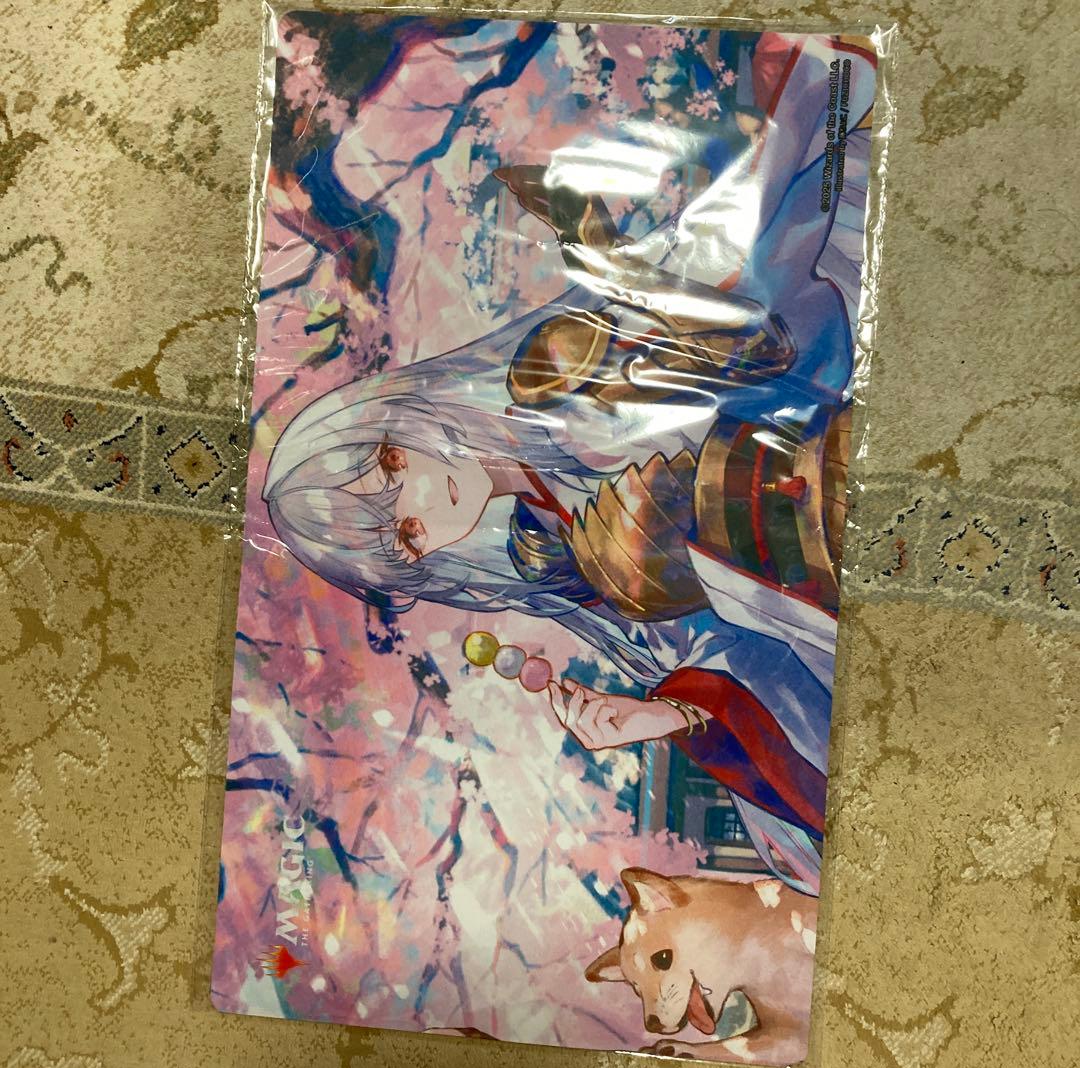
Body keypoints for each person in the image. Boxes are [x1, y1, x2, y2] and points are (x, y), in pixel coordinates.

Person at [262, 34, 878, 894]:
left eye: (393, 462)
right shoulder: (552, 560)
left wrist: (617, 264)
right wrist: (660, 714)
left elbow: (743, 316)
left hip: (835, 406)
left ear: (400, 414)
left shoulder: (550, 369)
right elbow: (739, 663)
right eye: (406, 534)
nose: (427, 499)